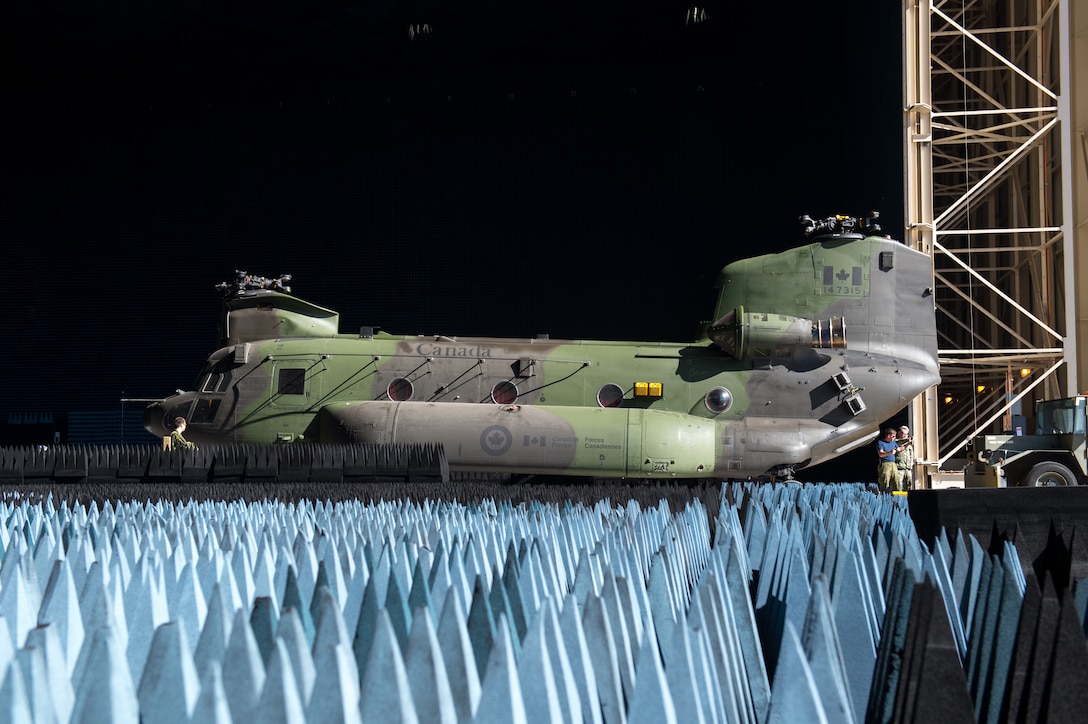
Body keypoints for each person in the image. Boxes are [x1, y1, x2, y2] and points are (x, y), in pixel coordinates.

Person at [895, 425, 915, 491]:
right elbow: (899, 446)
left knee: (908, 485)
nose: (905, 435)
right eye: (903, 433)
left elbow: (911, 454)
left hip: (907, 468)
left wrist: (911, 463)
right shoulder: (896, 442)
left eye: (906, 434)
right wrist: (908, 442)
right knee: (898, 485)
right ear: (899, 433)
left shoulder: (908, 445)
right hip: (899, 468)